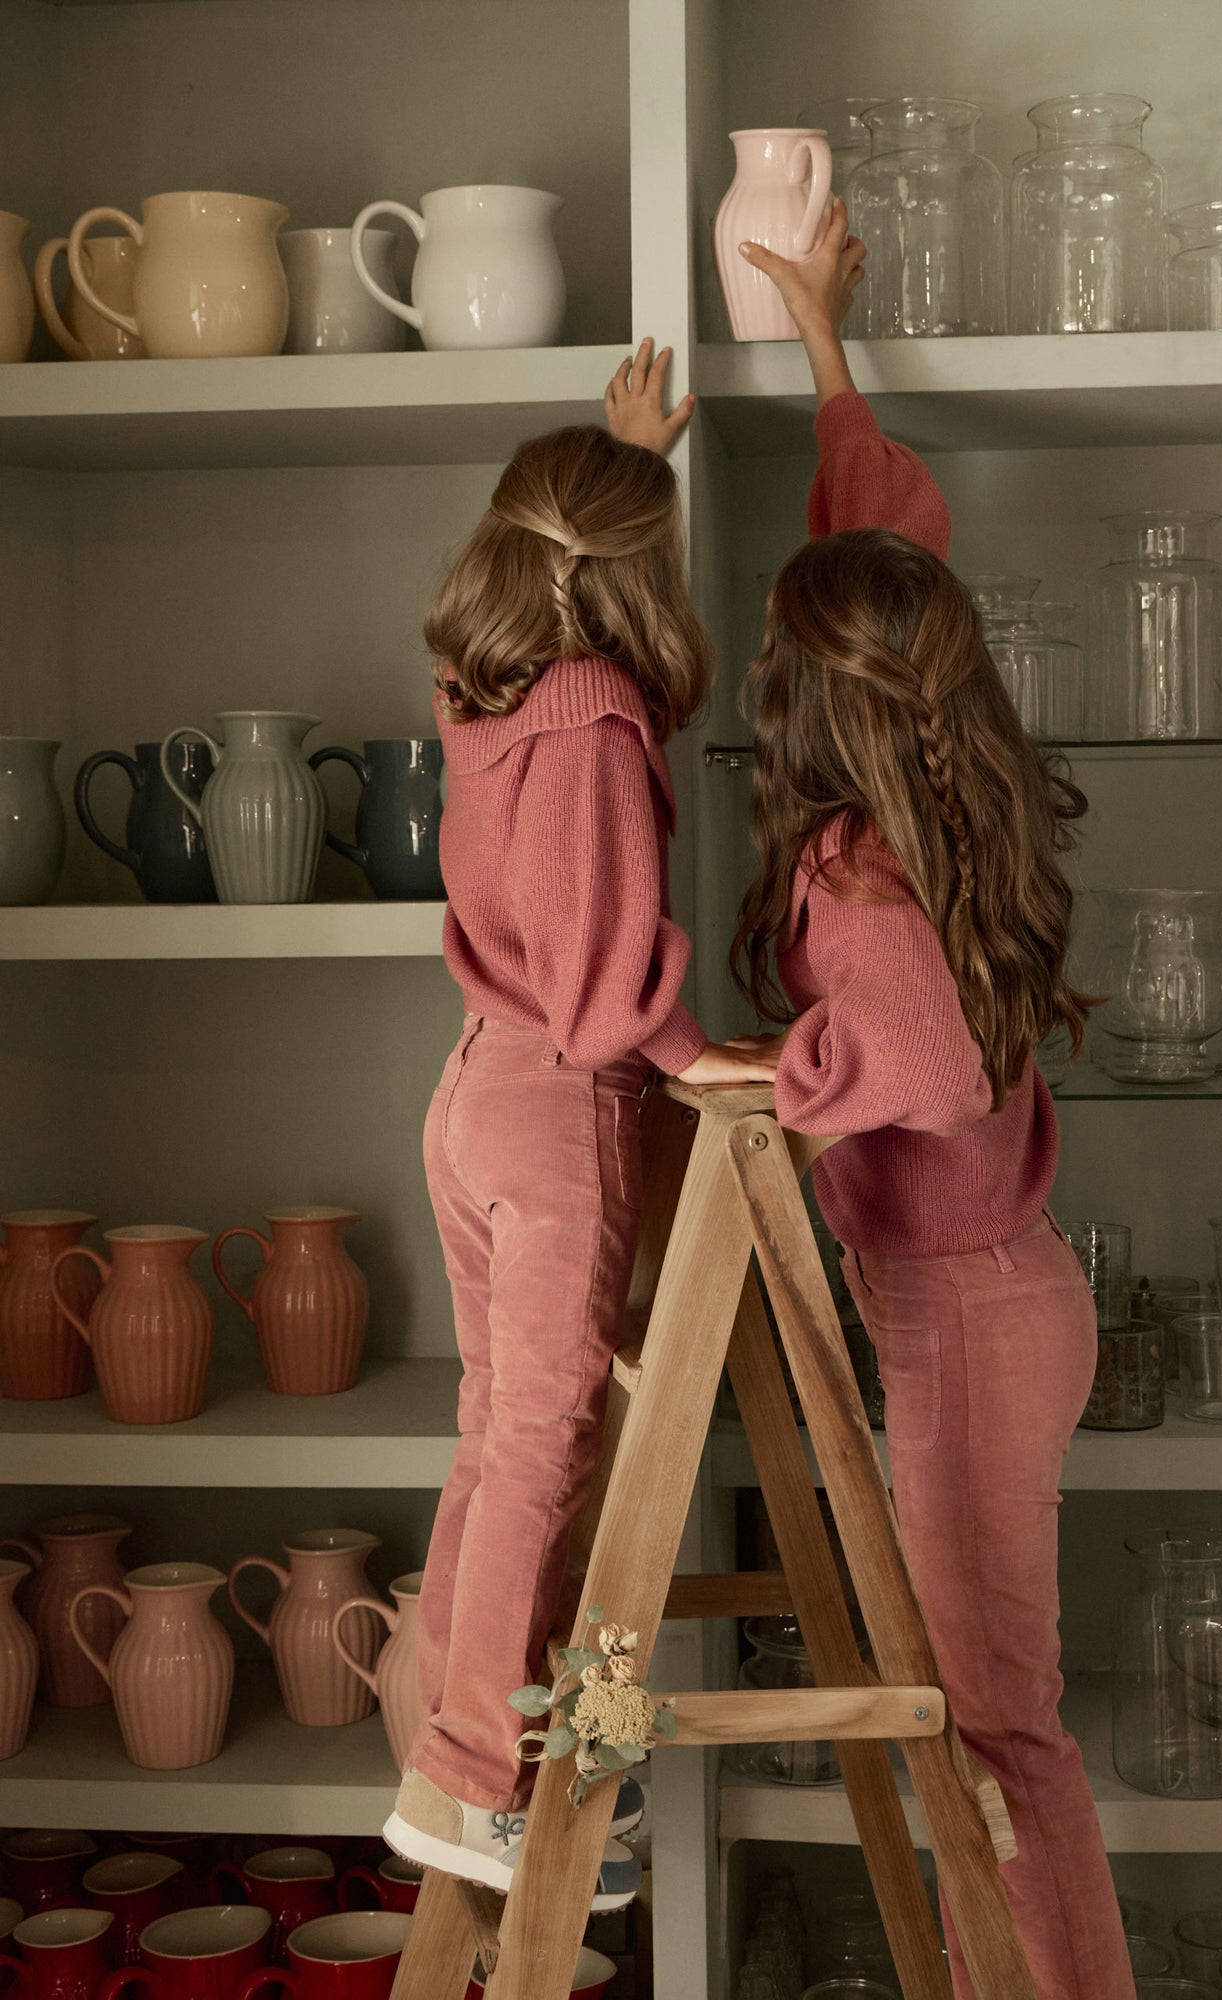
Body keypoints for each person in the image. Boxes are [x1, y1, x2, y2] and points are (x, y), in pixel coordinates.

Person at [730, 207, 1134, 2000]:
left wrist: (768, 1080)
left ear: (807, 702)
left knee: (996, 1731)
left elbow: (928, 1060)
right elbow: (885, 550)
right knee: (990, 1726)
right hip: (1000, 1297)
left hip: (967, 1320)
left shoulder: (852, 865)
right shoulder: (940, 789)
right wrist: (826, 345)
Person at [384, 340, 779, 1903]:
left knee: (501, 1435)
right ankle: (488, 1779)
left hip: (476, 1089)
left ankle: (459, 1759)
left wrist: (625, 473)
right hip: (562, 1101)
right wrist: (697, 1058)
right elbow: (604, 969)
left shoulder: (485, 697)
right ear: (626, 573)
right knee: (551, 1443)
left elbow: (554, 902)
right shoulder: (599, 711)